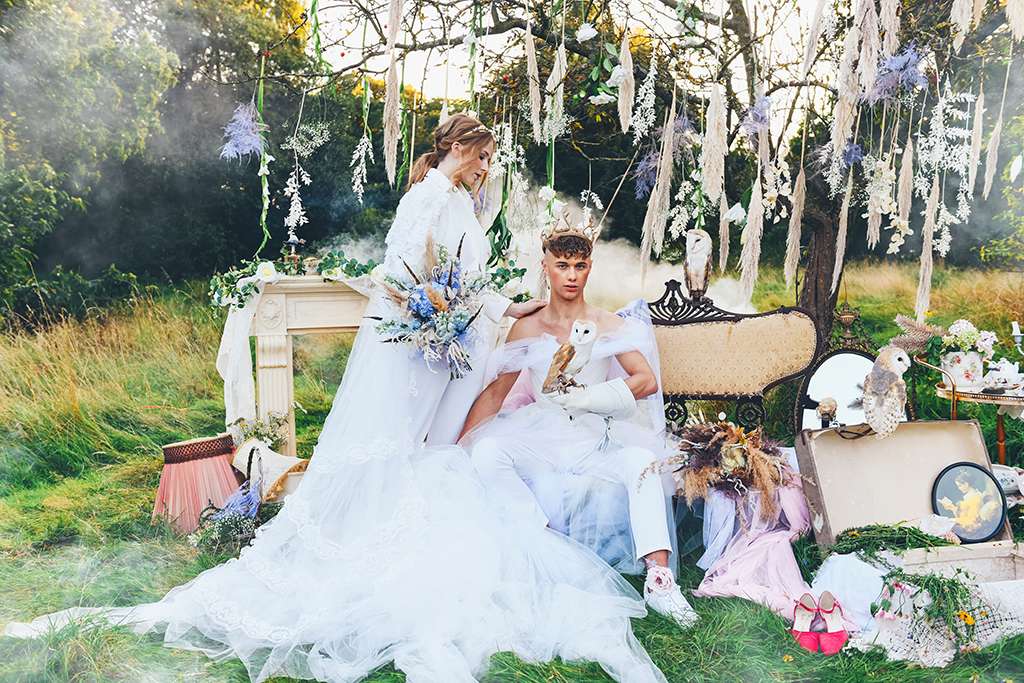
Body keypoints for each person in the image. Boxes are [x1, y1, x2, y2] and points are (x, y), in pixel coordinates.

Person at [4, 114, 668, 683]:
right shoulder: (428, 194)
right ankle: (379, 547)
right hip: (422, 347)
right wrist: (438, 315)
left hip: (453, 346)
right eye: (481, 155)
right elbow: (402, 267)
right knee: (406, 451)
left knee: (438, 452)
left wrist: (502, 305)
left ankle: (417, 536)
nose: (486, 166)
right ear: (460, 150)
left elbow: (462, 278)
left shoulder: (463, 203)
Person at [458, 212, 699, 629]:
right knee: (487, 451)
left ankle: (660, 581)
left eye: (580, 266)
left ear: (589, 268)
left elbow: (646, 380)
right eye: (562, 265)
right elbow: (496, 394)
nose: (571, 275)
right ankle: (540, 544)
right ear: (546, 267)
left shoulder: (608, 324)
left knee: (642, 463)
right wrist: (459, 448)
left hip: (594, 440)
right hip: (539, 437)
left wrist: (590, 397)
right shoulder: (527, 327)